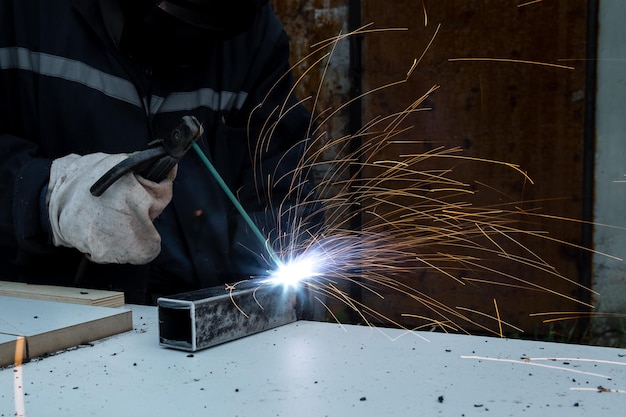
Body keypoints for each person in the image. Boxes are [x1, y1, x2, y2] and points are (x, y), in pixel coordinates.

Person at [0, 0, 319, 304]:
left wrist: (271, 288)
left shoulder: (254, 33)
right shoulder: (18, 14)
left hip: (200, 331)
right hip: (39, 317)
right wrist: (47, 195)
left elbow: (281, 179)